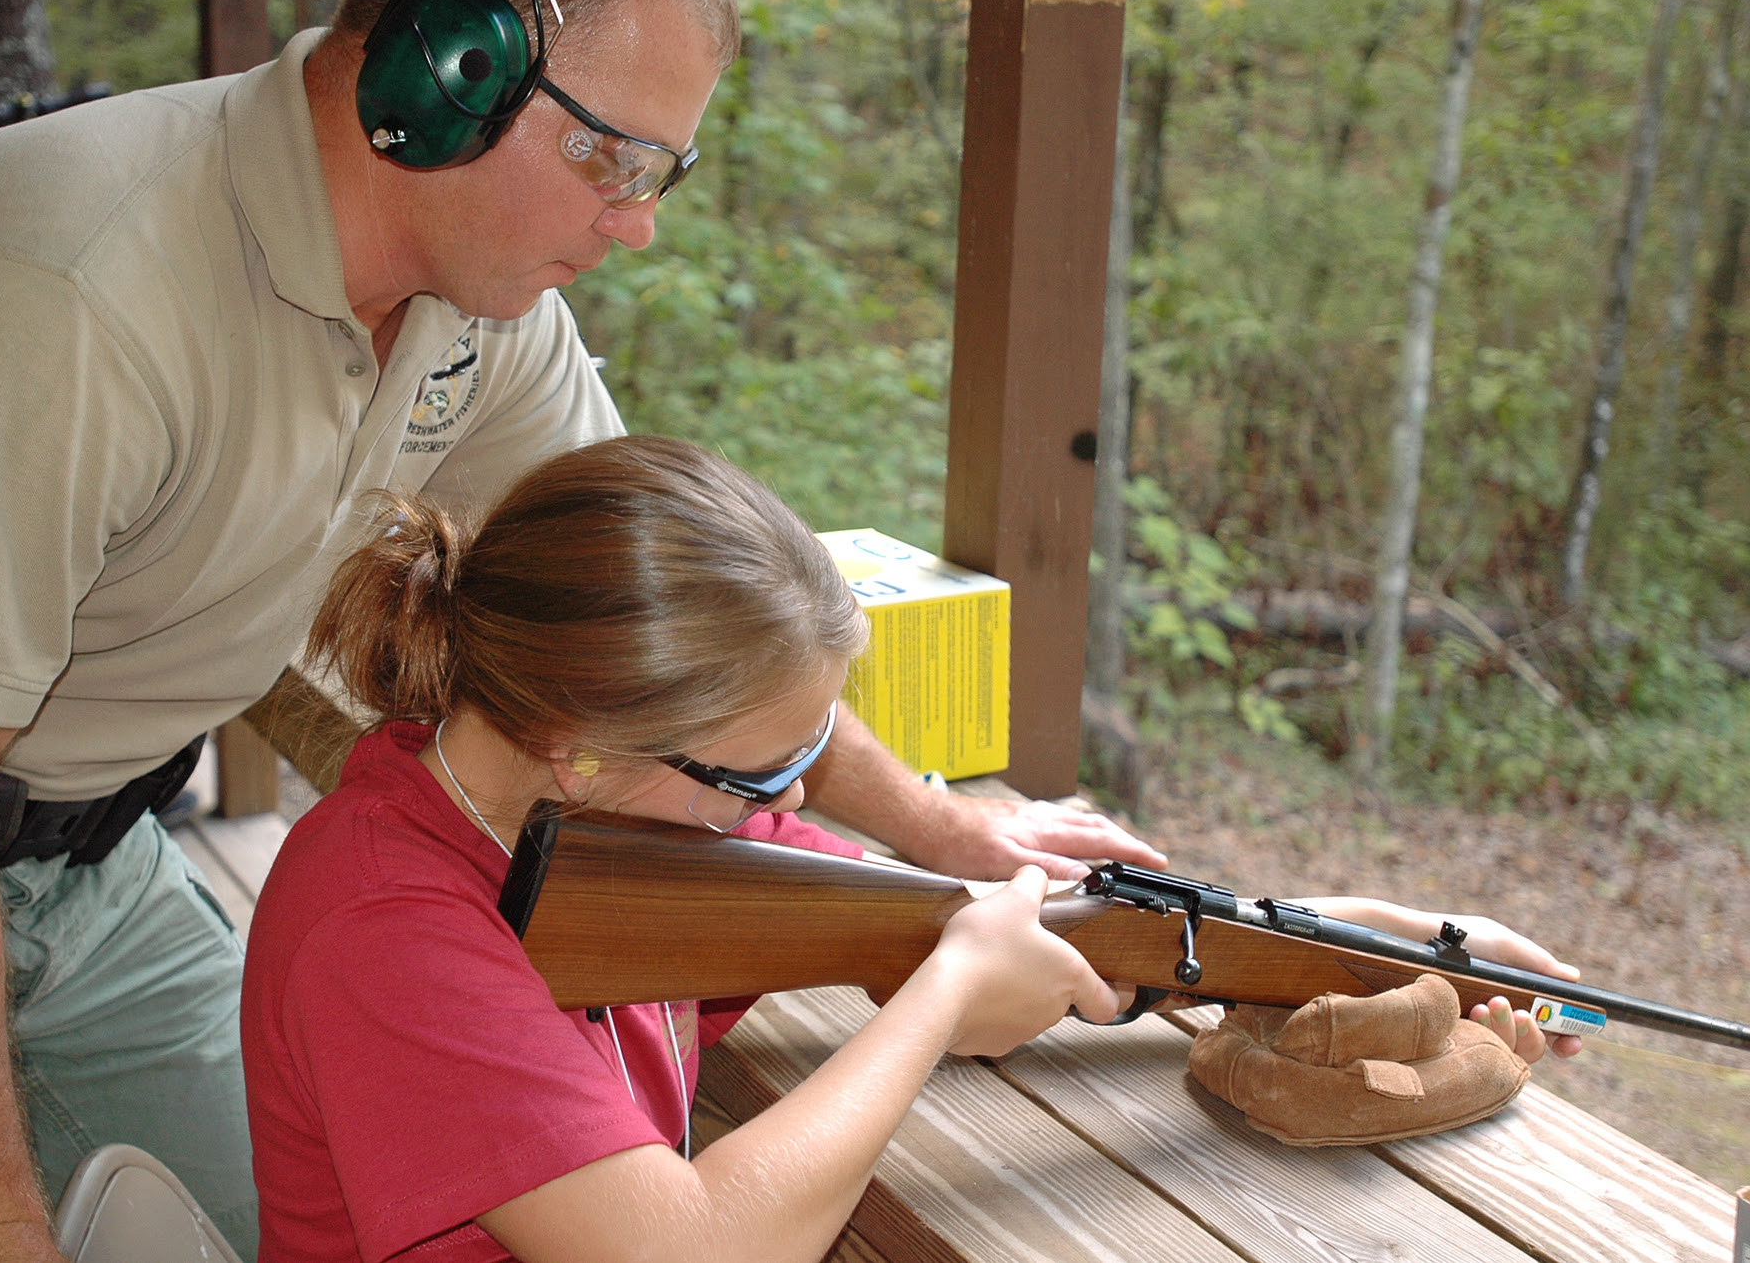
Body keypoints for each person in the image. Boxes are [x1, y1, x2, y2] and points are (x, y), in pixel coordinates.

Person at [0, 0, 1161, 1260]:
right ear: (446, 70)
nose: (638, 225)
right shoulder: (75, 291)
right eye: (612, 155)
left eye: (664, 169)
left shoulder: (483, 312)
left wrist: (954, 838)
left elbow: (691, 644)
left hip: (94, 853)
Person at [240, 435, 1581, 1263]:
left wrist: (1355, 937)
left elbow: (1002, 918)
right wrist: (944, 993)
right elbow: (690, 1248)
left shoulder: (606, 816)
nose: (791, 798)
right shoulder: (388, 925)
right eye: (765, 769)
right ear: (583, 745)